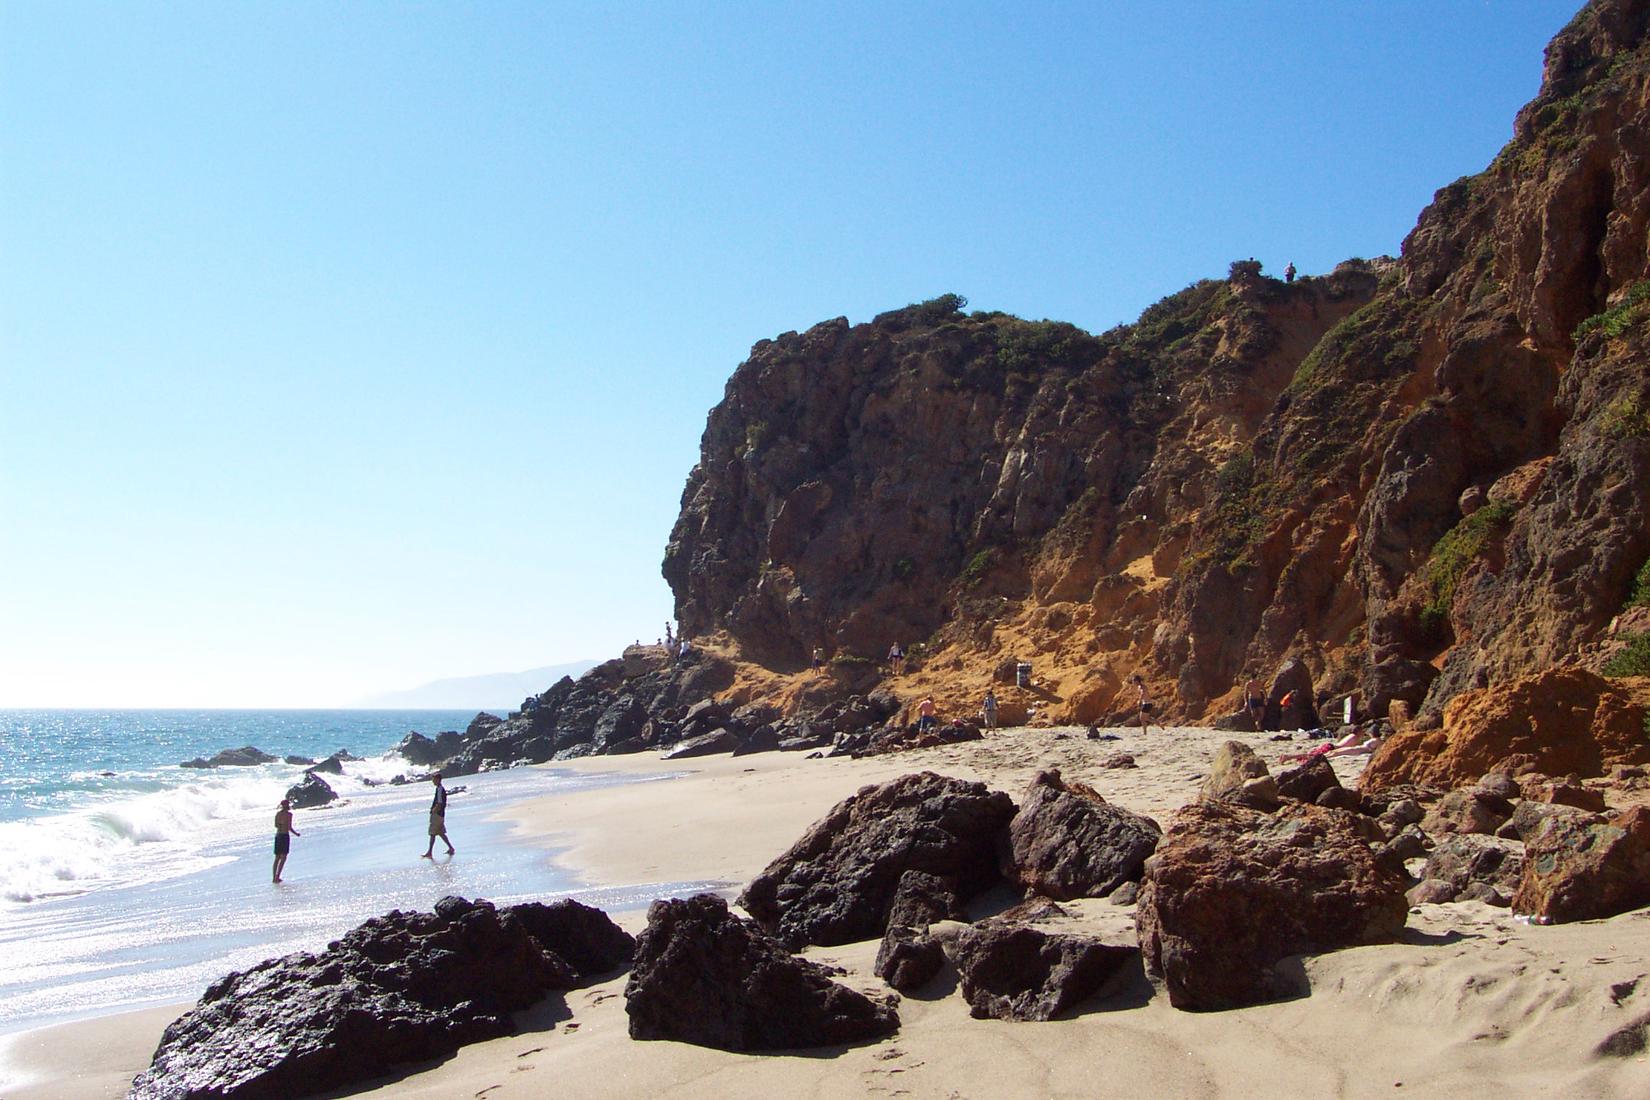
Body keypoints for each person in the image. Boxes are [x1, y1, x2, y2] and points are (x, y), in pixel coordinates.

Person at [422, 771, 455, 858]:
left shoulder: (440, 789)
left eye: (434, 779)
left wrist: (434, 811)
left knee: (432, 833)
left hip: (437, 815)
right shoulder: (440, 788)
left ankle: (429, 852)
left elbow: (440, 803)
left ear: (438, 779)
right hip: (441, 814)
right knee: (440, 833)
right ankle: (451, 848)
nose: (433, 781)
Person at [273, 799, 300, 883]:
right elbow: (289, 827)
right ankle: (277, 876)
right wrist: (296, 834)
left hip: (278, 835)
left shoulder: (278, 814)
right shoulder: (289, 815)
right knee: (283, 857)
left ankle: (274, 877)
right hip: (284, 836)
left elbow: (276, 825)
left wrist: (281, 824)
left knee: (277, 857)